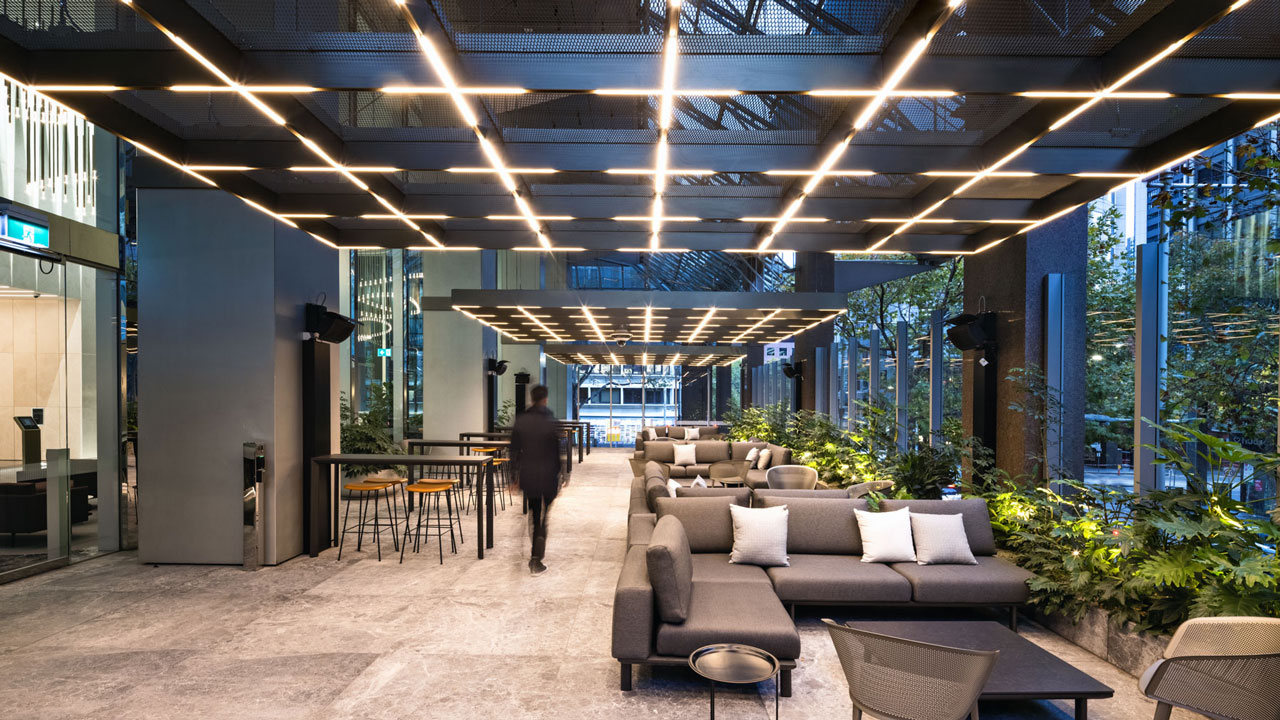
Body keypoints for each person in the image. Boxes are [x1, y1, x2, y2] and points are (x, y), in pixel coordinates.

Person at [509, 384, 561, 575]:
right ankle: (536, 559)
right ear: (545, 399)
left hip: (528, 475)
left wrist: (513, 477)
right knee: (544, 517)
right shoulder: (551, 421)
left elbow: (513, 451)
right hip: (548, 476)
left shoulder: (521, 421)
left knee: (534, 514)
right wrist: (561, 475)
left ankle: (535, 557)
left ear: (532, 399)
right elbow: (557, 452)